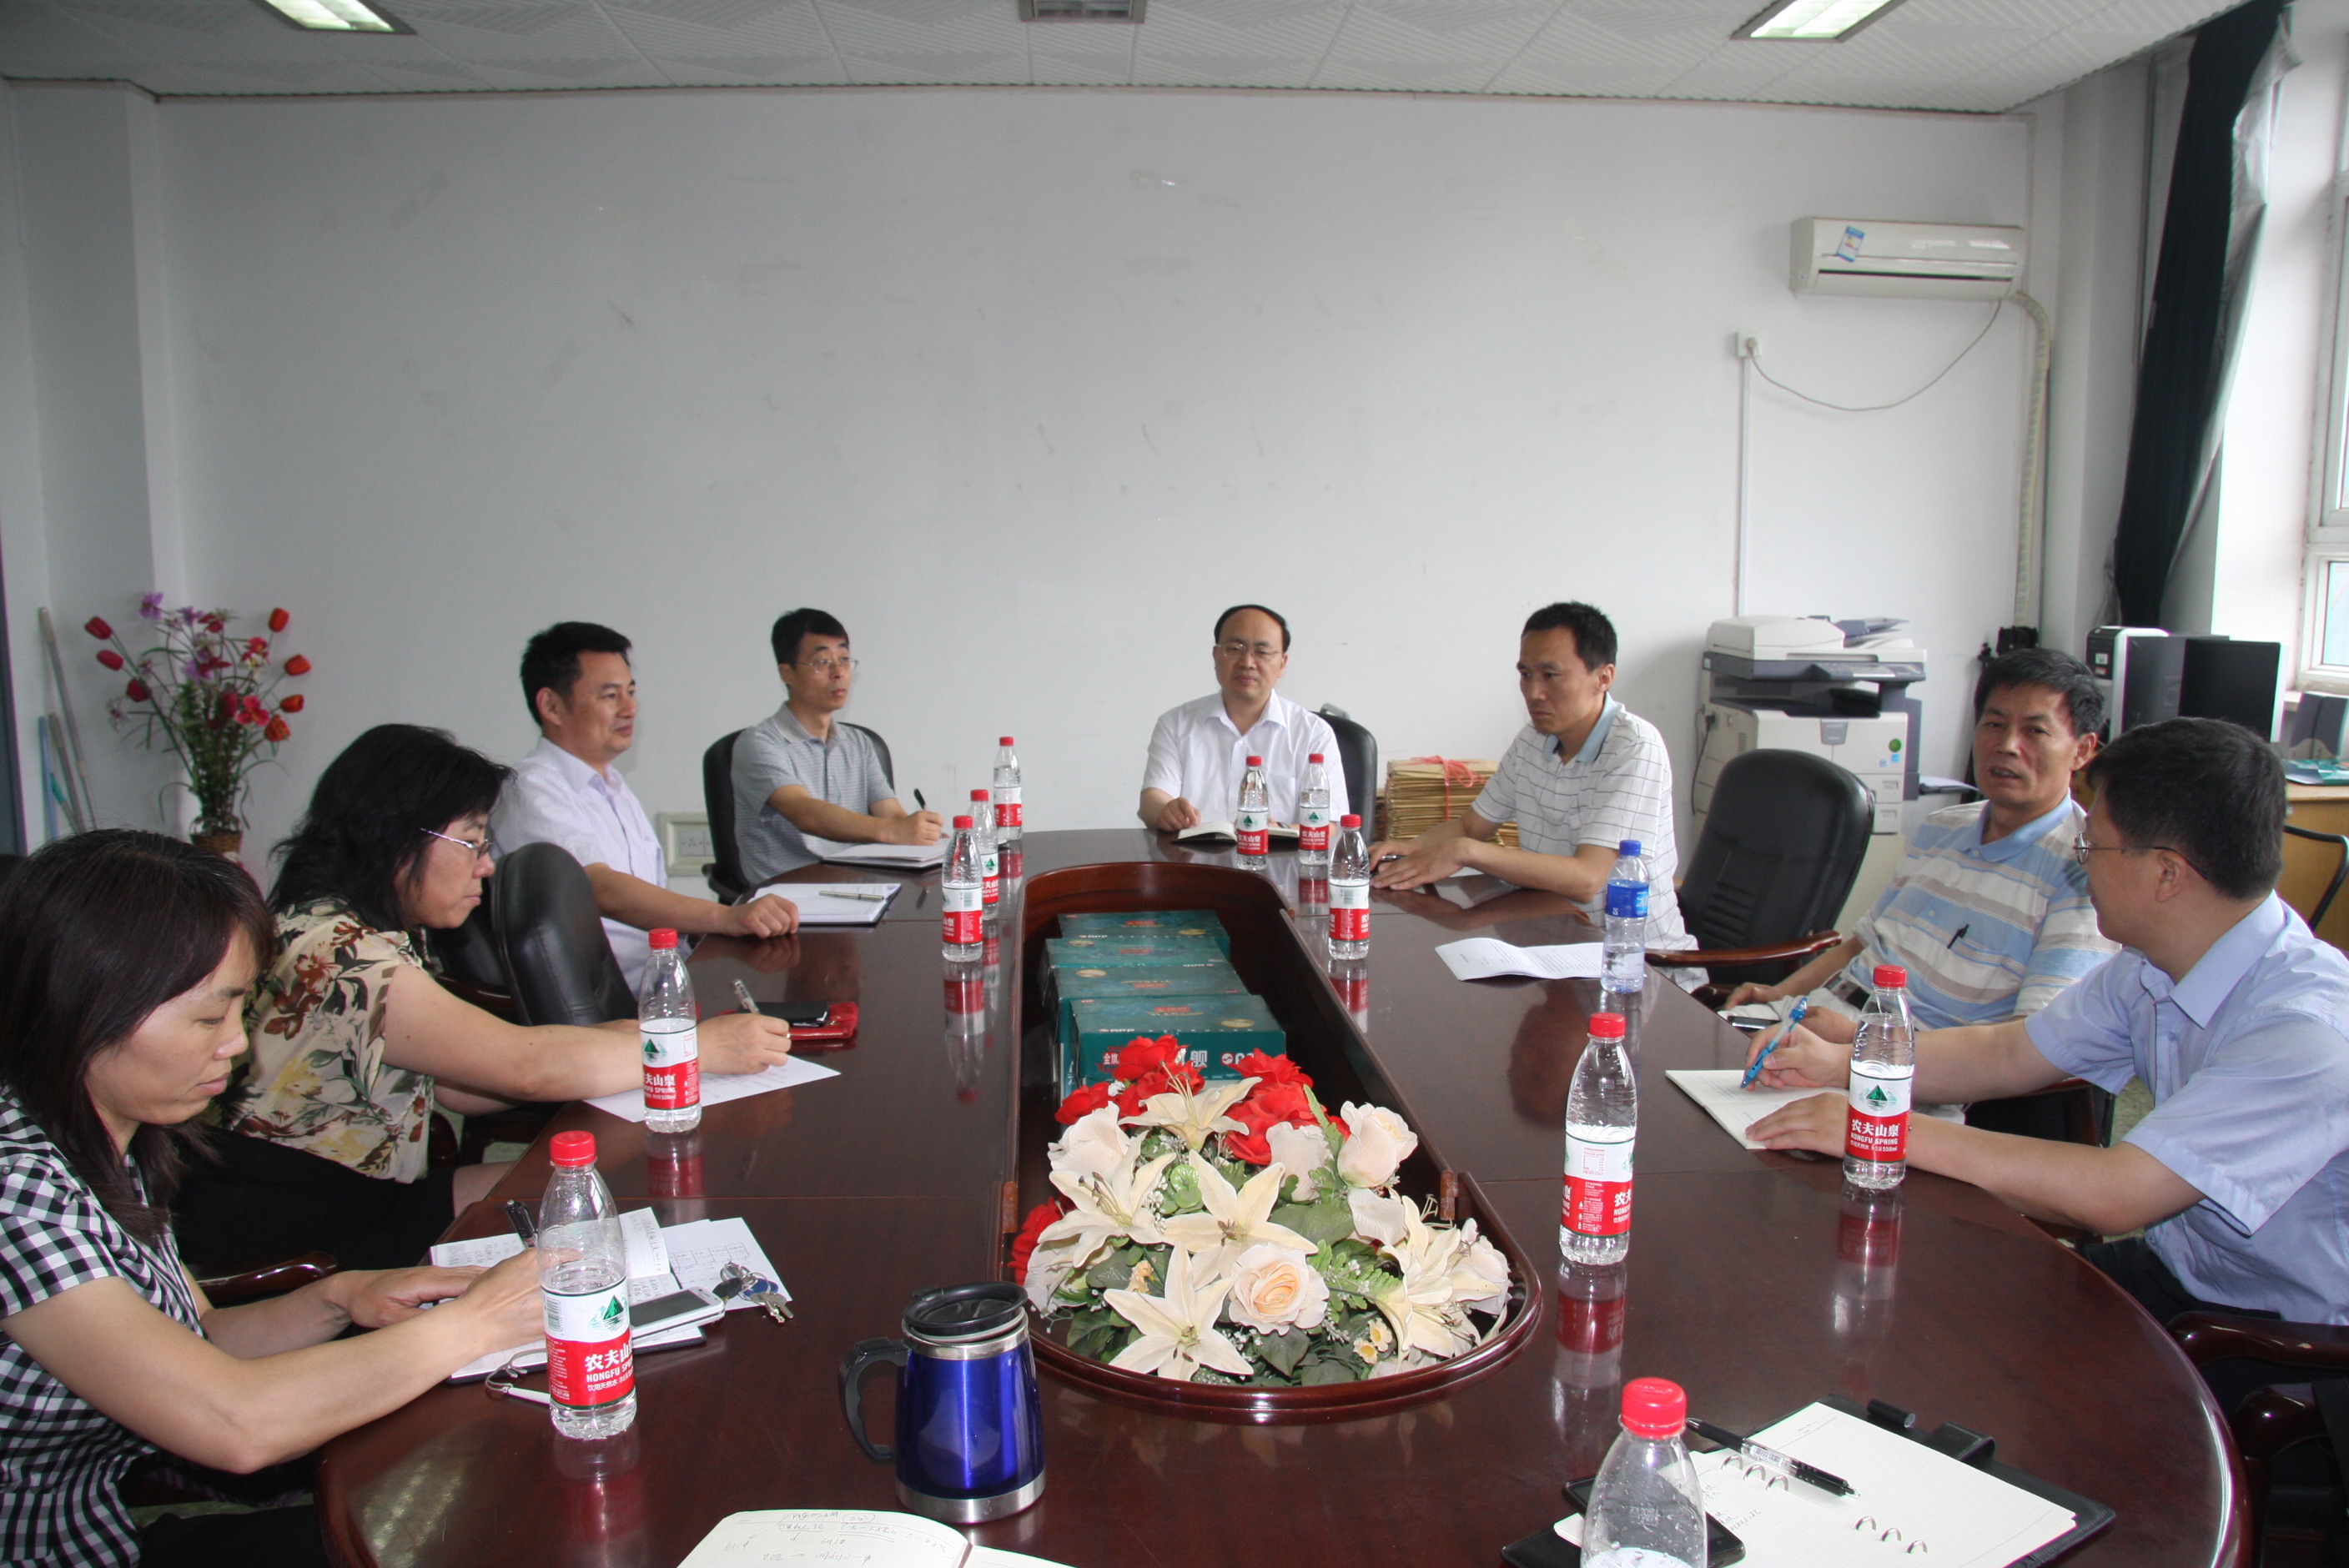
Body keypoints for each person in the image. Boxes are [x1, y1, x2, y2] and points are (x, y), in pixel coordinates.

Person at [0, 830, 542, 1567]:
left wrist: (339, 1298)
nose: (236, 1043)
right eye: (208, 1017)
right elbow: (236, 1422)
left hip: (102, 1530)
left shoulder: (106, 1142)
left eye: (240, 1010)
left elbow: (197, 1340)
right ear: (83, 1007)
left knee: (480, 1509)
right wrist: (475, 1324)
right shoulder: (21, 1195)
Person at [1748, 719, 2349, 1365]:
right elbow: (2010, 1055)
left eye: (2092, 847)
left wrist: (1879, 1127)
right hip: (2179, 1270)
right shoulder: (2151, 963)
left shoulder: (2305, 1030)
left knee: (1954, 1362)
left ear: (2167, 874)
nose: (2079, 864)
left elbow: (2118, 1193)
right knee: (1915, 1315)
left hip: (2283, 1338)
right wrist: (1845, 1064)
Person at [178, 724, 795, 1271]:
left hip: (353, 1193)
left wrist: (629, 1042)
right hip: (301, 1227)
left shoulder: (358, 925)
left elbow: (458, 1087)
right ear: (397, 837)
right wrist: (693, 1048)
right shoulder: (343, 957)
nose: (487, 866)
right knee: (611, 1211)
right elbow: (523, 1067)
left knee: (609, 1187)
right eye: (472, 842)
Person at [1728, 647, 2117, 1044]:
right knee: (1696, 1043)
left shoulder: (2083, 872)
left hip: (1896, 1060)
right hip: (1815, 1014)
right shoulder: (1943, 827)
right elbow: (1862, 944)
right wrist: (1779, 994)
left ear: (2083, 750)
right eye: (1994, 724)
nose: (2007, 745)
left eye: (2035, 731)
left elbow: (2030, 1045)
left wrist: (1856, 1040)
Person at [1369, 601, 1693, 955]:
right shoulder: (1534, 739)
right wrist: (1412, 847)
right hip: (1553, 939)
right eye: (1525, 674)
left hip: (1635, 960)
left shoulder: (1633, 747)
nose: (1533, 692)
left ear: (1603, 678)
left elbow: (1587, 879)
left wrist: (1465, 852)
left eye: (1550, 676)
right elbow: (1471, 825)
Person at [491, 621, 797, 991]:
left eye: (631, 692)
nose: (630, 708)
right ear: (552, 706)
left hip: (665, 979)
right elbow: (597, 887)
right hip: (614, 999)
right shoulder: (530, 789)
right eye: (611, 696)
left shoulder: (612, 785)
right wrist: (726, 918)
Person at [732, 608, 940, 885]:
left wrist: (919, 832)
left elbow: (891, 814)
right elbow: (804, 812)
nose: (838, 673)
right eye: (822, 662)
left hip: (859, 892)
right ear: (787, 673)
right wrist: (893, 831)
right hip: (786, 899)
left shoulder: (859, 743)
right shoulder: (759, 744)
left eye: (844, 660)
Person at [1139, 605, 1349, 832]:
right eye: (1234, 649)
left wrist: (1280, 829)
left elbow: (1329, 824)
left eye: (1262, 652)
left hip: (1278, 854)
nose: (1247, 662)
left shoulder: (1313, 733)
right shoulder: (1175, 724)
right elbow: (1153, 797)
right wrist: (1166, 810)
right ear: (1215, 656)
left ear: (1282, 664)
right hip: (1192, 854)